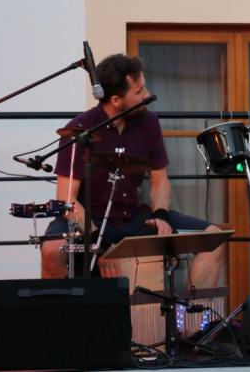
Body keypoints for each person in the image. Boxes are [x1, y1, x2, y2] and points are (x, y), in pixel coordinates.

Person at [41, 54, 224, 288]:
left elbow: (159, 180)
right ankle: (58, 312)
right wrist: (99, 244)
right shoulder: (79, 130)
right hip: (91, 220)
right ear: (116, 100)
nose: (147, 95)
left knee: (213, 239)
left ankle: (187, 312)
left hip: (134, 218)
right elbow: (67, 199)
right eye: (139, 91)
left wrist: (161, 216)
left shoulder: (149, 123)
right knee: (51, 249)